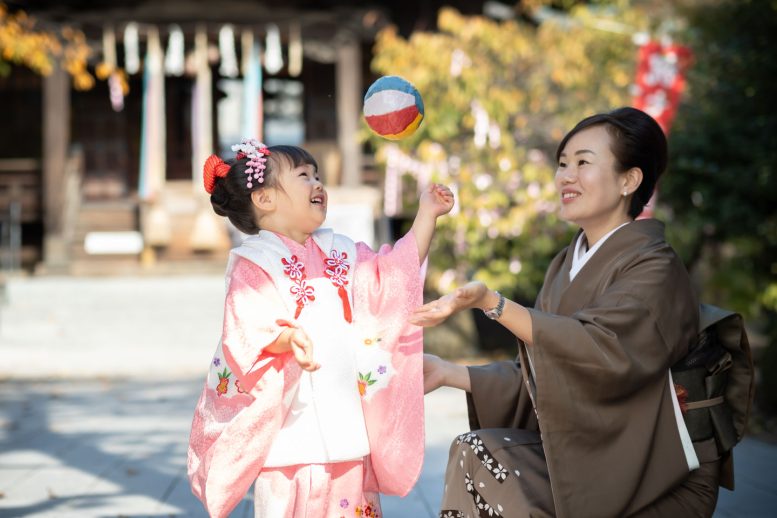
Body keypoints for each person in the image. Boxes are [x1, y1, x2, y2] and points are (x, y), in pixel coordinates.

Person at [410, 107, 728, 517]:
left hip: (654, 471)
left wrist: (494, 303)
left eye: (583, 163)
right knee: (476, 451)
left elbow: (600, 351)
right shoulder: (565, 263)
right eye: (562, 164)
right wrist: (448, 372)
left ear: (629, 180)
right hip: (592, 458)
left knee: (491, 468)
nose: (566, 176)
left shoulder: (656, 266)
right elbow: (546, 372)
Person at [187, 139, 454, 518]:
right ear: (264, 200)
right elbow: (245, 327)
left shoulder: (340, 252)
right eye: (303, 176)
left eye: (317, 175)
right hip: (290, 439)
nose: (317, 183)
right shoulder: (255, 261)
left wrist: (427, 215)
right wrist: (287, 338)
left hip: (345, 425)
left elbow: (392, 275)